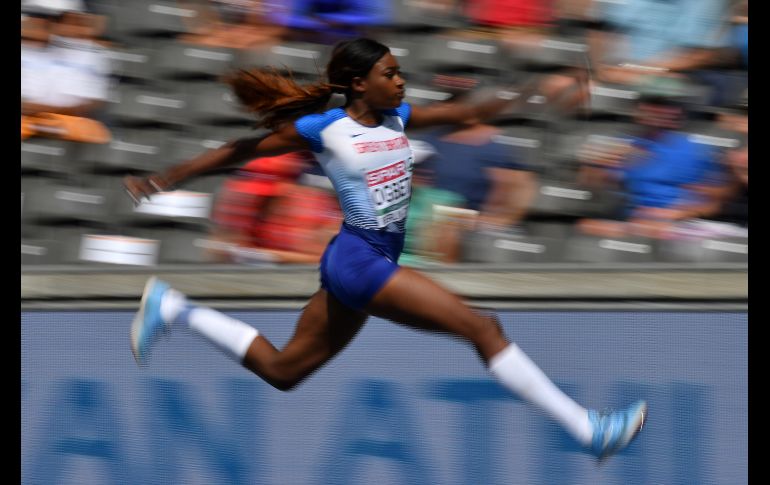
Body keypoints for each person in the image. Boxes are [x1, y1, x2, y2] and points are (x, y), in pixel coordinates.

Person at [124, 37, 645, 460]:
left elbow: (477, 109)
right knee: (481, 328)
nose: (400, 81)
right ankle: (586, 430)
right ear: (359, 83)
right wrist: (169, 175)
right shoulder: (326, 129)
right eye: (390, 73)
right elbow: (240, 150)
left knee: (284, 372)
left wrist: (541, 89)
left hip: (366, 259)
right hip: (358, 259)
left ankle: (175, 308)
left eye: (399, 73)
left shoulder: (399, 118)